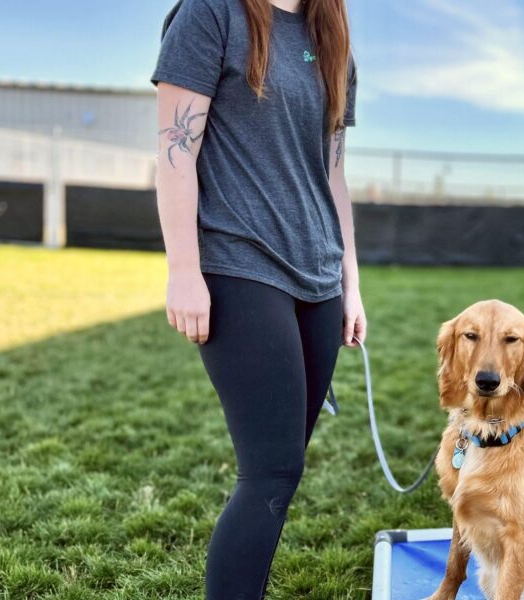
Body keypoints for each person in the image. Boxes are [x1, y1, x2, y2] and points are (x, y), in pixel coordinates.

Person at [150, 0, 365, 597]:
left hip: (318, 279)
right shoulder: (210, 14)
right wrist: (184, 270)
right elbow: (175, 153)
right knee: (269, 470)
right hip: (238, 265)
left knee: (283, 475)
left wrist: (352, 284)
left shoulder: (334, 35)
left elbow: (334, 175)